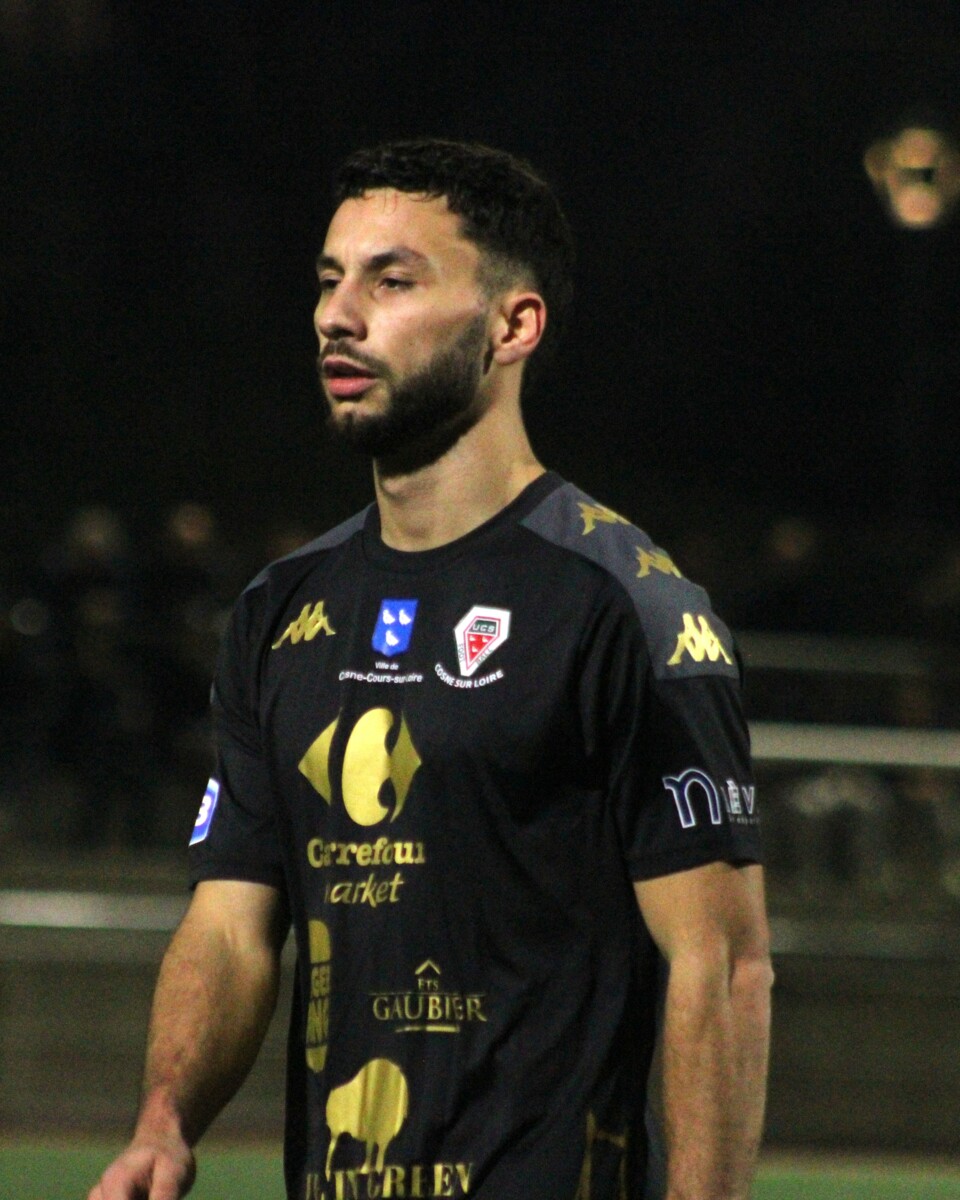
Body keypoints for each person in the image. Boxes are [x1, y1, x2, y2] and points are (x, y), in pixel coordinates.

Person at [89, 139, 772, 1200]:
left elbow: (722, 966)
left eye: (391, 281)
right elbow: (230, 923)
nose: (338, 315)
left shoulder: (623, 604)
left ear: (513, 326)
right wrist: (164, 1124)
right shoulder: (280, 611)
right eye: (330, 280)